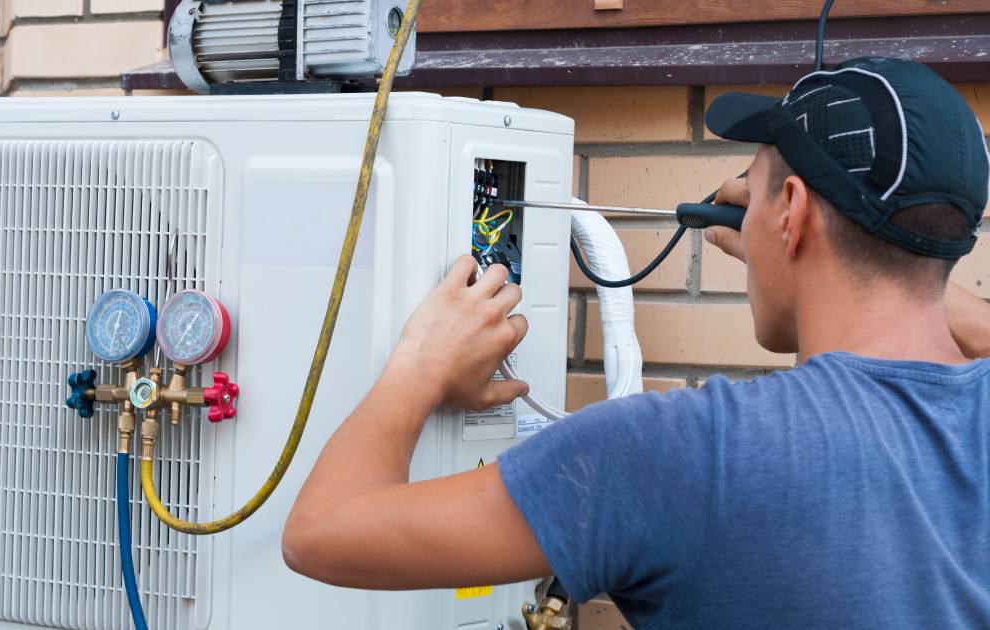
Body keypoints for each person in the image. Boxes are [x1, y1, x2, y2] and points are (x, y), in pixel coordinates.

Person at [283, 57, 990, 628]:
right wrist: (822, 259)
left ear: (794, 213)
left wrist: (420, 363)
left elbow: (322, 532)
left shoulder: (684, 452)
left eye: (764, 190)